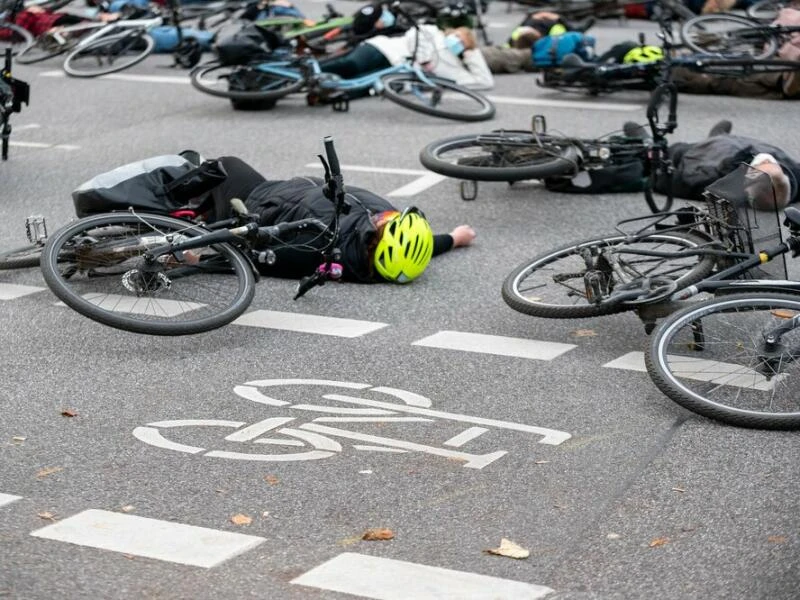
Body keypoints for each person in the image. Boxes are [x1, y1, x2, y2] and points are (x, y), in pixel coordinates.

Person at [205, 156, 476, 283]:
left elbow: (258, 259)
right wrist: (454, 238)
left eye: (385, 225)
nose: (385, 217)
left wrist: (201, 261)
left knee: (222, 166)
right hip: (292, 191)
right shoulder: (394, 253)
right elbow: (422, 247)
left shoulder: (320, 249)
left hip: (256, 202)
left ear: (374, 245)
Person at [319, 4, 493, 92]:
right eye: (458, 36)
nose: (457, 41)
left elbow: (484, 81)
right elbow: (412, 34)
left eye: (463, 43)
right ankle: (307, 69)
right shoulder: (433, 32)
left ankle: (319, 92)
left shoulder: (455, 69)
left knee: (356, 85)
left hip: (393, 68)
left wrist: (472, 52)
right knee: (352, 66)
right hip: (384, 50)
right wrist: (421, 56)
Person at [636, 119, 800, 209]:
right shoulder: (793, 174)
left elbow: (676, 183)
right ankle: (716, 136)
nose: (764, 158)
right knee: (723, 140)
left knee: (673, 151)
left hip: (703, 154)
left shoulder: (718, 184)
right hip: (733, 144)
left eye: (761, 163)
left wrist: (655, 172)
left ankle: (646, 142)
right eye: (769, 162)